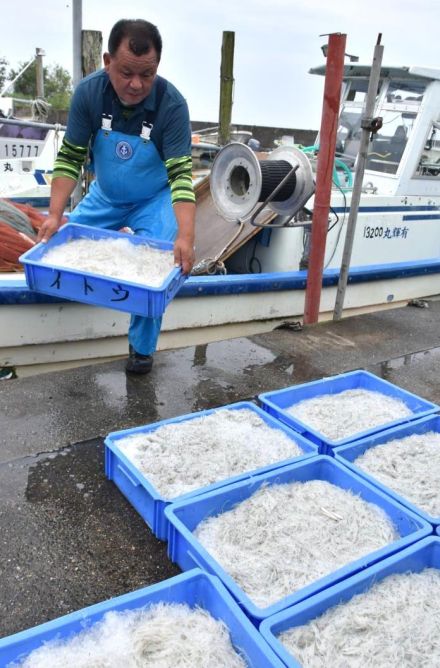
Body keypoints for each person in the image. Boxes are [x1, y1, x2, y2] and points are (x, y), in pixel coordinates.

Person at [37, 19, 196, 374]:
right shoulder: (89, 93)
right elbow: (70, 158)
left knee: (157, 265)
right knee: (57, 245)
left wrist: (185, 236)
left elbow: (181, 177)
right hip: (105, 196)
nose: (136, 84)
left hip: (154, 200)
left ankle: (141, 349)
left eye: (147, 74)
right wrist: (53, 214)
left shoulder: (172, 106)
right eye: (126, 72)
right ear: (108, 61)